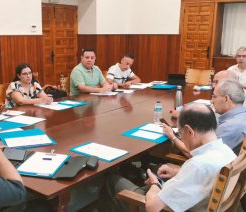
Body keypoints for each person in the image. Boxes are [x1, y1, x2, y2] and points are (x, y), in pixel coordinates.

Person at [104, 104, 236, 212]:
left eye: (180, 133)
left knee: (111, 179)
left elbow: (152, 208)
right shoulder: (227, 152)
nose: (181, 137)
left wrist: (155, 184)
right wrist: (178, 172)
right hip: (198, 202)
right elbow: (208, 175)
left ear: (189, 131)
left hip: (168, 207)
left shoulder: (197, 165)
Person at [164, 79, 246, 157]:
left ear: (226, 98)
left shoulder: (228, 127)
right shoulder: (241, 116)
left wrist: (172, 137)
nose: (211, 101)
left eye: (214, 96)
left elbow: (195, 155)